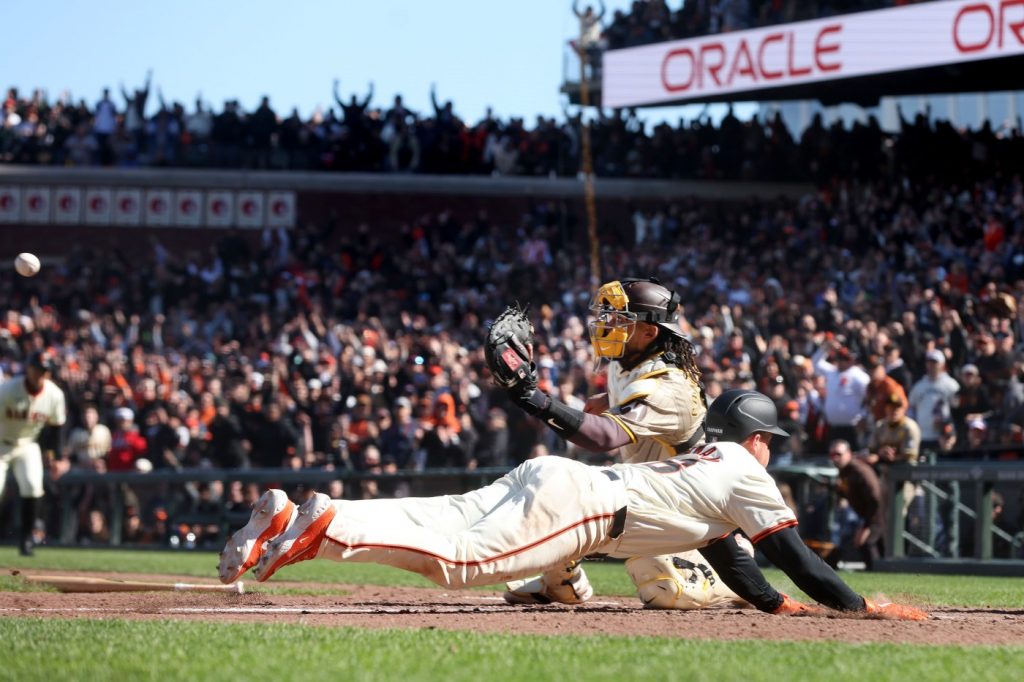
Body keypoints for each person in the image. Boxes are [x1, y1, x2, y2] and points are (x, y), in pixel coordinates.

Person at [217, 390, 926, 621]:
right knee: (461, 563)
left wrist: (773, 606)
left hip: (561, 478)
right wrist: (860, 609)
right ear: (760, 438)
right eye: (772, 438)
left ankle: (311, 514)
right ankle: (322, 524)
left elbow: (728, 554)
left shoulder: (710, 467)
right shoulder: (747, 469)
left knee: (447, 523)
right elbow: (793, 555)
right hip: (586, 509)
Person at [494, 277, 719, 608]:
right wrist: (608, 403)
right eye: (605, 316)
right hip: (651, 497)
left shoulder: (669, 385)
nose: (605, 325)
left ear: (649, 332)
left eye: (619, 319)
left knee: (663, 588)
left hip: (687, 513)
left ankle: (724, 580)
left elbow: (604, 438)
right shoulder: (629, 365)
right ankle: (561, 581)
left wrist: (535, 399)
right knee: (560, 494)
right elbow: (619, 408)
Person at [0, 351, 67, 556]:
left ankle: (26, 539)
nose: (39, 374)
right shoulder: (7, 390)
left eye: (43, 371)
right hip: (1, 444)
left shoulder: (54, 395)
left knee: (32, 485)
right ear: (28, 368)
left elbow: (55, 428)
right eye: (36, 369)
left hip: (27, 444)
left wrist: (54, 456)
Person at [828, 440, 884, 570]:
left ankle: (877, 574)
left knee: (868, 543)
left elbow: (875, 498)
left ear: (849, 454)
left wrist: (867, 526)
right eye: (832, 455)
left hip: (878, 514)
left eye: (838, 454)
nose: (835, 458)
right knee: (863, 543)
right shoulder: (845, 471)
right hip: (867, 515)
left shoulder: (859, 470)